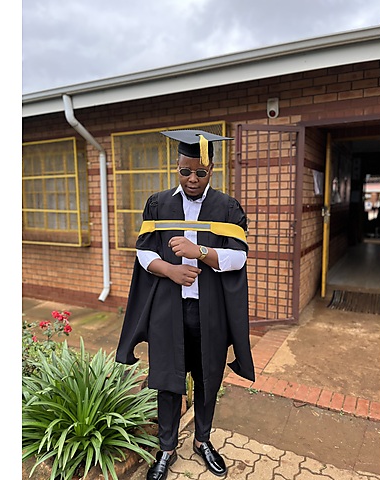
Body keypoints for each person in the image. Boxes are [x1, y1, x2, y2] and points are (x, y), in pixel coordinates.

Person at [116, 129, 255, 479]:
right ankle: (166, 448)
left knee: (208, 379)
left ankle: (202, 440)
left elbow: (239, 257)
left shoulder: (227, 207)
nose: (192, 179)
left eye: (200, 172)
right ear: (176, 167)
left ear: (212, 171)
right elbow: (144, 251)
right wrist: (170, 270)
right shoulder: (158, 203)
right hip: (169, 311)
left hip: (209, 313)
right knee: (167, 381)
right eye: (185, 171)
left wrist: (201, 252)